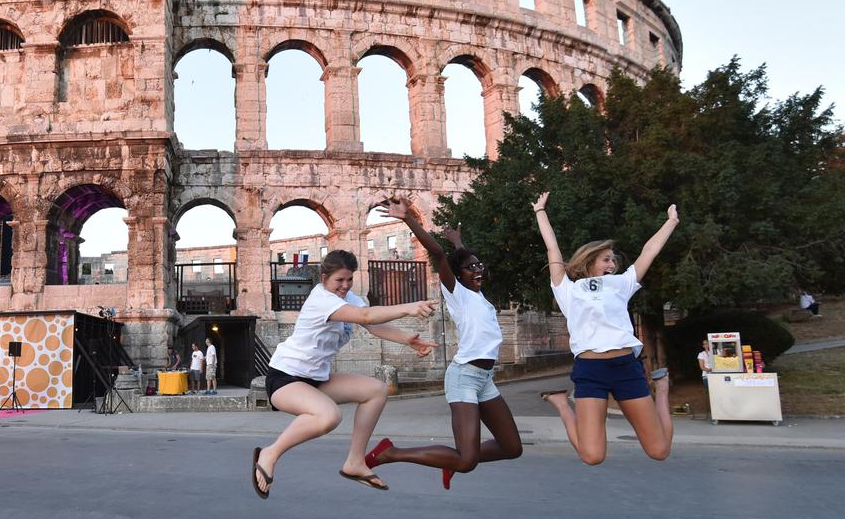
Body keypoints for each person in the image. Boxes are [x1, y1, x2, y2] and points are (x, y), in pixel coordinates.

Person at [251, 249, 438, 499]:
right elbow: (365, 315)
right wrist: (409, 308)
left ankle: (355, 462)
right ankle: (270, 453)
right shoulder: (322, 300)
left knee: (375, 390)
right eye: (339, 280)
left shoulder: (348, 297)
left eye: (349, 279)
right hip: (285, 378)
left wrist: (407, 339)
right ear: (324, 277)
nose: (345, 286)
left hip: (316, 379)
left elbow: (372, 324)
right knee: (328, 416)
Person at [363, 199, 523, 489]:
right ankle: (391, 452)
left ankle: (447, 459)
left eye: (479, 265)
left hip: (485, 379)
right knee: (467, 461)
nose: (478, 271)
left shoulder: (479, 297)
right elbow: (437, 253)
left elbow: (461, 256)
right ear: (458, 274)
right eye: (470, 268)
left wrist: (458, 240)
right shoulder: (456, 293)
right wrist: (409, 218)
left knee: (512, 448)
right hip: (464, 378)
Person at [533, 192, 679, 464]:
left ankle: (662, 389)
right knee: (592, 456)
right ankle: (562, 404)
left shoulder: (622, 283)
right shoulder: (568, 290)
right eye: (606, 259)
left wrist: (671, 221)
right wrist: (540, 211)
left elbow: (649, 251)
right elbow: (553, 249)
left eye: (614, 260)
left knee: (659, 451)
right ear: (589, 262)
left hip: (626, 367)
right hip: (591, 371)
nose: (612, 264)